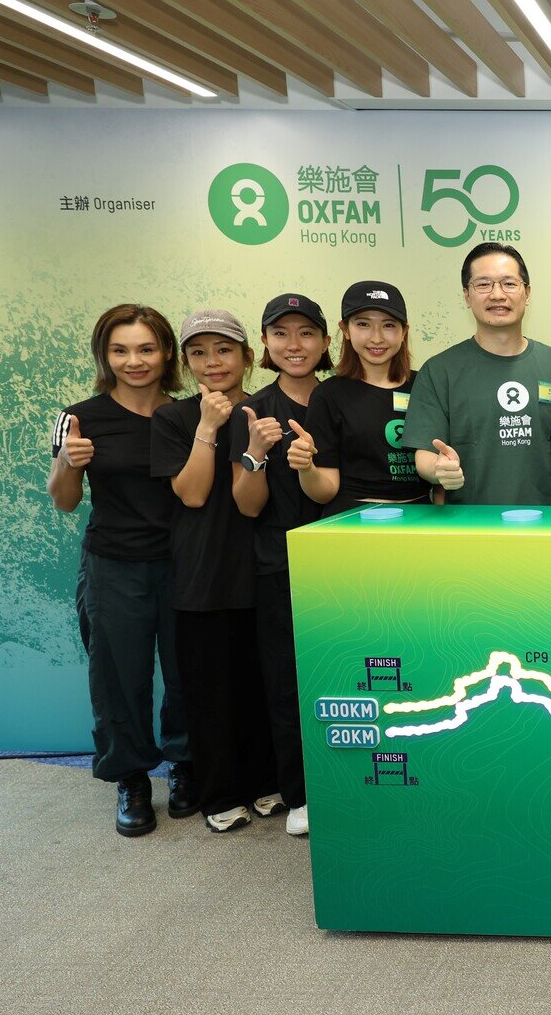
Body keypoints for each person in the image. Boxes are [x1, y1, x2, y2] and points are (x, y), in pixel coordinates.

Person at [48, 304, 192, 837]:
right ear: (104, 356)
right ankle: (130, 778)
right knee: (117, 679)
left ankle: (185, 764)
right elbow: (64, 500)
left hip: (183, 564)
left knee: (187, 673)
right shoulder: (78, 417)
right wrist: (69, 462)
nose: (135, 361)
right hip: (113, 565)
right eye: (120, 350)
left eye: (146, 348)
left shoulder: (190, 415)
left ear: (166, 352)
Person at [150, 310, 274, 833]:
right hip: (202, 572)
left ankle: (265, 781)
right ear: (185, 363)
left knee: (261, 683)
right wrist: (207, 426)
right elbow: (193, 494)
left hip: (262, 566)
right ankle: (219, 792)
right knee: (209, 690)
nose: (212, 362)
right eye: (198, 353)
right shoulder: (173, 419)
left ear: (247, 355)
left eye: (223, 350)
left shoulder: (267, 409)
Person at [229, 293, 333, 837]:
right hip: (280, 563)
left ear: (326, 341)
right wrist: (256, 452)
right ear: (265, 344)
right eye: (282, 334)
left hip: (347, 563)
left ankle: (352, 784)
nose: (295, 345)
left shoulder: (341, 399)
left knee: (348, 672)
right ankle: (300, 794)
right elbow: (247, 505)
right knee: (288, 683)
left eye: (306, 333)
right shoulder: (254, 410)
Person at [404, 245, 551, 506]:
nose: (497, 295)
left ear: (527, 293)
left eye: (509, 284)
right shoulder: (439, 370)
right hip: (471, 524)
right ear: (467, 296)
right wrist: (439, 469)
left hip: (548, 522)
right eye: (483, 284)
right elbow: (425, 454)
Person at [298, 281, 430, 515]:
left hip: (420, 518)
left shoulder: (427, 385)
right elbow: (324, 492)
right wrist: (306, 468)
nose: (376, 338)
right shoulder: (328, 395)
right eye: (363, 324)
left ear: (404, 331)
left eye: (388, 325)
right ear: (345, 329)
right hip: (353, 519)